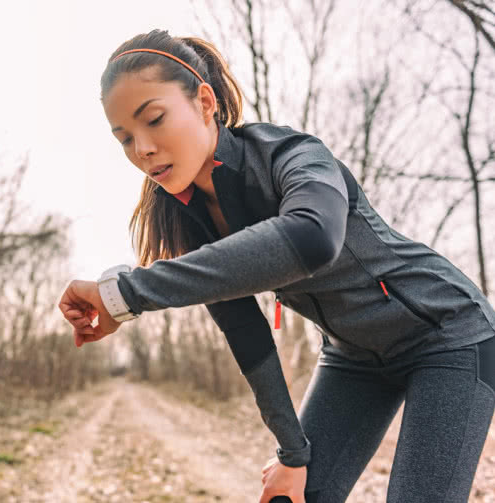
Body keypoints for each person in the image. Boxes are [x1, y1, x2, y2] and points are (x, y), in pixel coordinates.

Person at [57, 29, 495, 503]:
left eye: (155, 120)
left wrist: (126, 294)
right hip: (353, 358)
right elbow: (246, 333)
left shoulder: (292, 155)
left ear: (205, 102)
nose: (141, 149)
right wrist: (292, 452)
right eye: (125, 138)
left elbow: (311, 239)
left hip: (448, 334)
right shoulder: (192, 217)